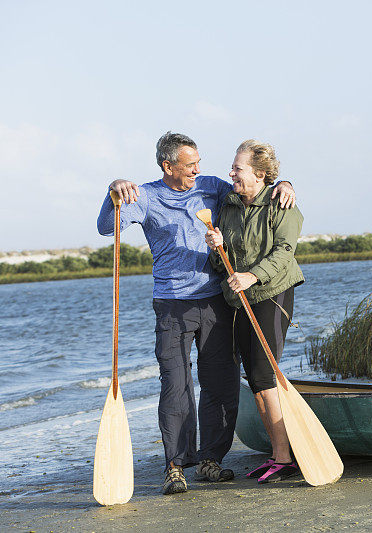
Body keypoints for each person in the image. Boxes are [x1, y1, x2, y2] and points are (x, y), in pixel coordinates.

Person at [97, 132, 297, 495]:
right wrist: (113, 190)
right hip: (172, 305)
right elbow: (107, 227)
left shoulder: (211, 187)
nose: (198, 170)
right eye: (190, 165)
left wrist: (284, 182)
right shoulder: (144, 195)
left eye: (198, 163)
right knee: (175, 384)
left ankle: (211, 459)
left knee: (221, 384)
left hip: (216, 302)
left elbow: (253, 190)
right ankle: (176, 463)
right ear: (167, 166)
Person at [204, 139, 304, 483]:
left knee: (264, 374)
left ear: (260, 174)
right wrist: (217, 249)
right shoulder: (228, 206)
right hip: (239, 300)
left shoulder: (281, 203)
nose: (231, 173)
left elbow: (284, 252)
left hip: (273, 293)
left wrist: (252, 275)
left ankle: (285, 457)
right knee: (255, 379)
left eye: (238, 168)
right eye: (232, 167)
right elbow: (223, 264)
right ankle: (278, 455)